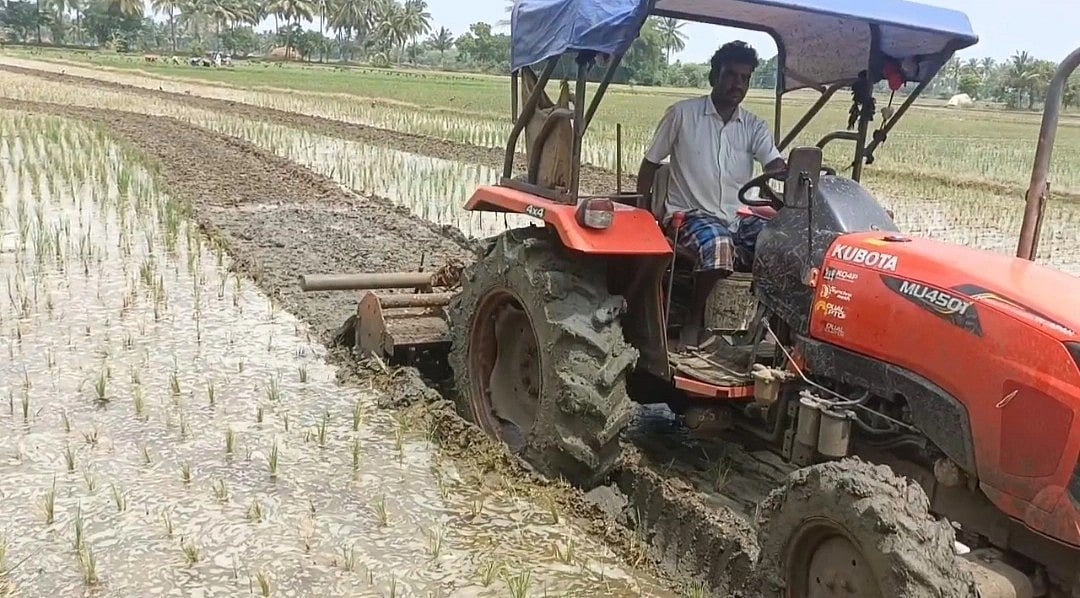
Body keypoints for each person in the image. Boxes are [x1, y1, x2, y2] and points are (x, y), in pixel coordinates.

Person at [636, 41, 787, 350]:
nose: (738, 85)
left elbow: (772, 162)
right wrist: (642, 210)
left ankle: (767, 326)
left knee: (782, 244)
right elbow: (650, 163)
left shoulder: (754, 126)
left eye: (745, 78)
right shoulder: (682, 114)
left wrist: (788, 169)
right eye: (731, 75)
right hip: (689, 215)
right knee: (719, 244)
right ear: (715, 75)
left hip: (736, 217)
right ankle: (695, 321)